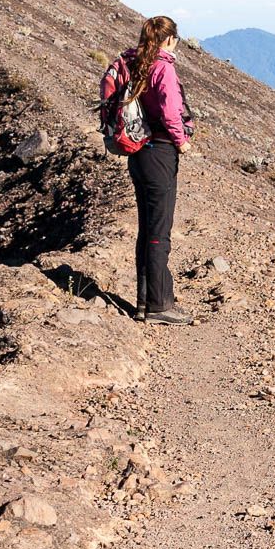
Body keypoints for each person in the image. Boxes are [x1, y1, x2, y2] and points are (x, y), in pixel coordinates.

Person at [120, 16, 196, 326]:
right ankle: (158, 304)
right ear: (170, 40)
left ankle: (144, 301)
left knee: (147, 228)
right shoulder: (163, 68)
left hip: (137, 152)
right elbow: (169, 111)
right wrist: (182, 142)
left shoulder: (133, 62)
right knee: (159, 232)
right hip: (160, 152)